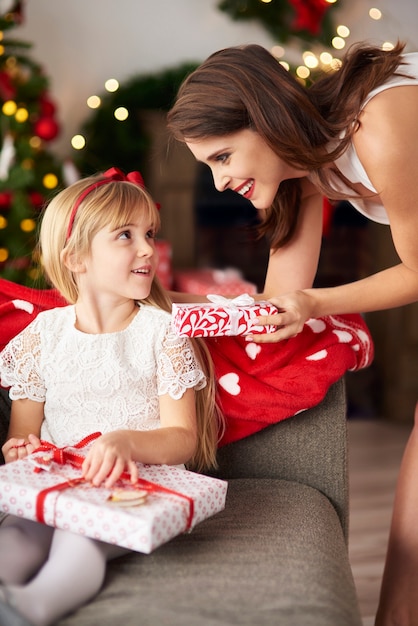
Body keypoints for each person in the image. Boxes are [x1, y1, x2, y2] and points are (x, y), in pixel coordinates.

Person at [166, 40, 418, 625]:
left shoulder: (375, 127)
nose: (221, 181)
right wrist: (170, 306)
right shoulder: (309, 170)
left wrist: (313, 303)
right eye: (209, 166)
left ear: (265, 118)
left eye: (223, 156)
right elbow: (278, 302)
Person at [0, 168, 222, 626]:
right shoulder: (42, 336)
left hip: (133, 490)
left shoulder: (162, 332)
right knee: (19, 530)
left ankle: (29, 610)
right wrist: (19, 448)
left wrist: (125, 442)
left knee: (78, 538)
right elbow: (23, 435)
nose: (147, 248)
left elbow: (183, 436)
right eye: (126, 235)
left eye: (149, 233)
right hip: (58, 482)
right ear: (77, 258)